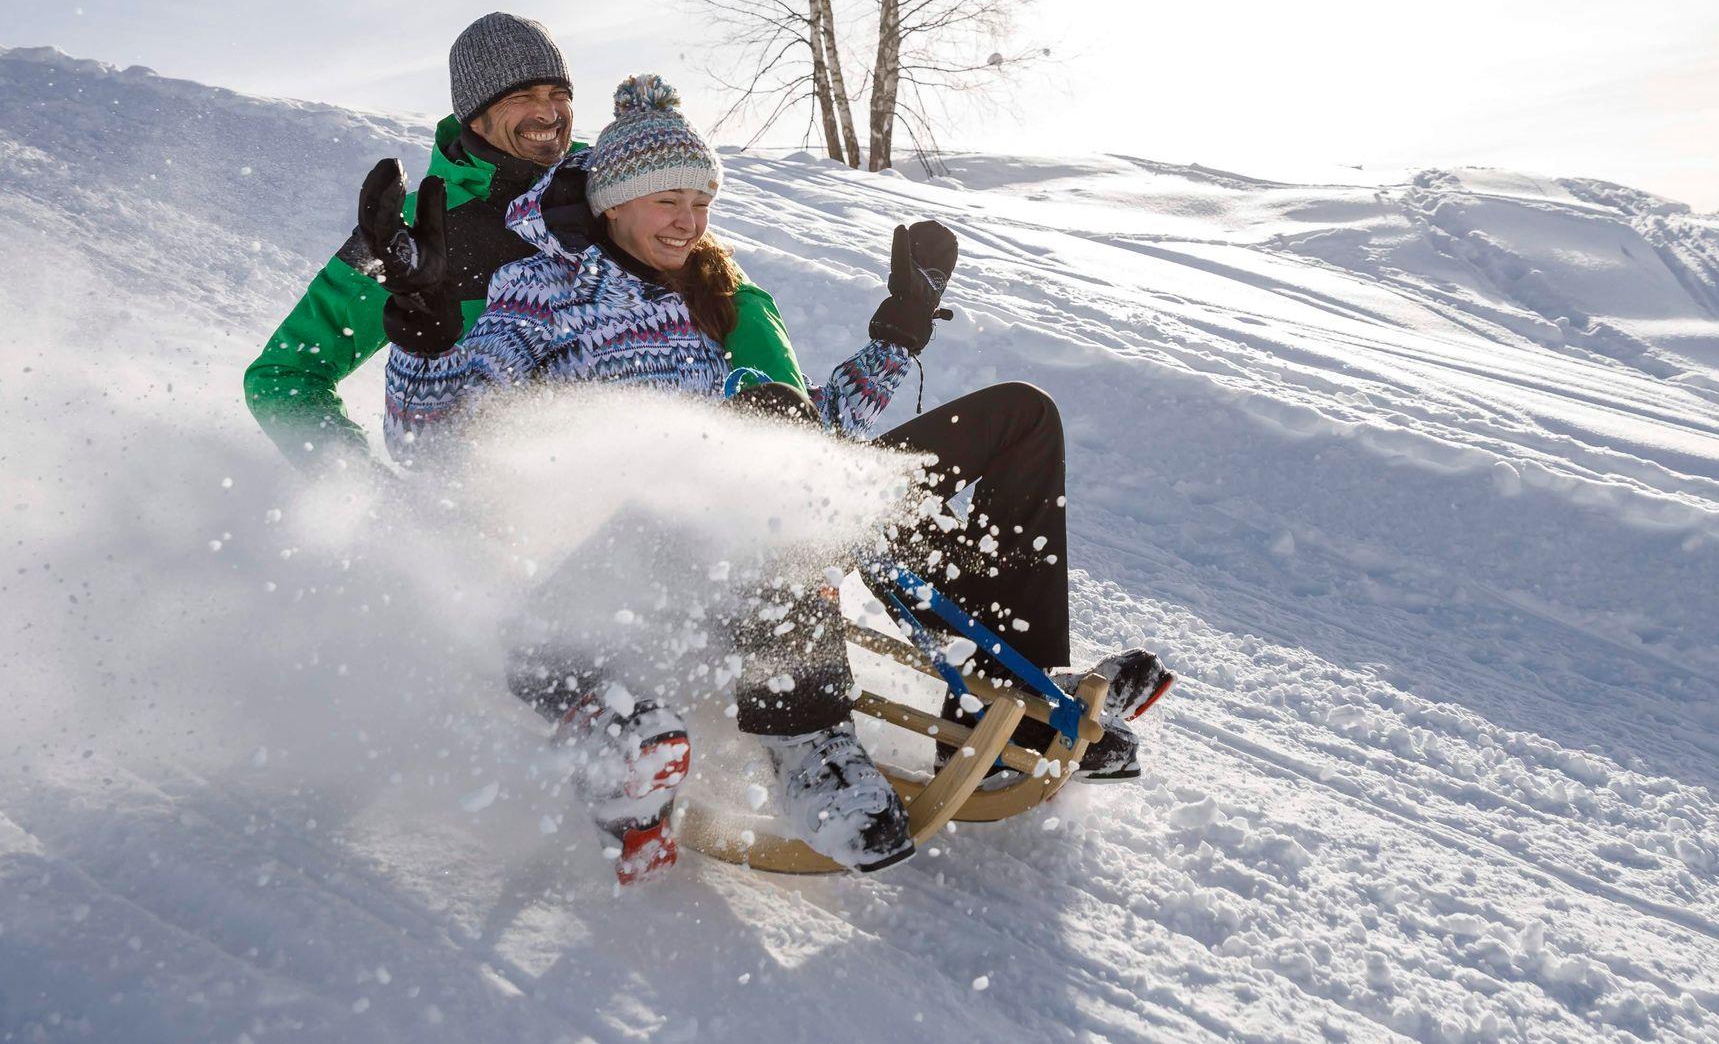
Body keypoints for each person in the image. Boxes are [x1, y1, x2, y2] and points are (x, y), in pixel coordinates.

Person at [383, 75, 1166, 881]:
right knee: (759, 442)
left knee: (1019, 415)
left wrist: (898, 334)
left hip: (765, 524)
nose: (689, 221)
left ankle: (1014, 710)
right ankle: (808, 747)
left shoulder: (709, 294)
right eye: (667, 201)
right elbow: (434, 441)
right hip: (630, 558)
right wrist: (422, 342)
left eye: (701, 202)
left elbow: (813, 429)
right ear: (613, 204)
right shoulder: (542, 292)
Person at [242, 12, 579, 467]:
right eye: (521, 97)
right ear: (474, 116)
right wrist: (357, 483)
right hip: (481, 492)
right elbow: (284, 375)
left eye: (559, 94)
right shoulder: (411, 229)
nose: (549, 113)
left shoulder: (617, 193)